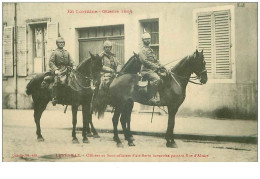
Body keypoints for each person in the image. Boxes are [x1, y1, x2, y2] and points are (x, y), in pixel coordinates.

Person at [138, 32, 164, 105]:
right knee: (157, 79)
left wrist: (161, 65)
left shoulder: (150, 50)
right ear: (143, 40)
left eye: (149, 39)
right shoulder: (142, 51)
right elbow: (145, 62)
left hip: (153, 70)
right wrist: (156, 66)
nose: (148, 41)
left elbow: (156, 60)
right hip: (146, 71)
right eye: (146, 39)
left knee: (165, 75)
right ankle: (151, 97)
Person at [49, 37, 74, 106]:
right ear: (57, 44)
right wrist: (55, 70)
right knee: (57, 81)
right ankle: (55, 97)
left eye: (62, 43)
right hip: (58, 70)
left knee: (72, 80)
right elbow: (51, 62)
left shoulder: (67, 52)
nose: (61, 44)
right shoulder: (54, 52)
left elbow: (71, 61)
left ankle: (70, 96)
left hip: (67, 70)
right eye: (60, 43)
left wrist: (73, 65)